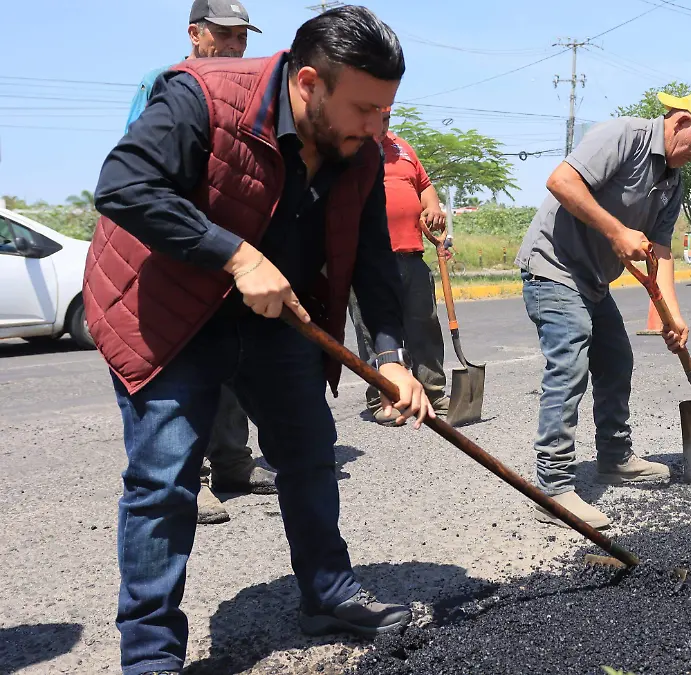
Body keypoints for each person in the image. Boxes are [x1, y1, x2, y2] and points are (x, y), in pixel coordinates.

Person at [87, 7, 433, 673]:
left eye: (385, 110)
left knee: (309, 455)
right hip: (169, 310)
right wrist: (237, 257)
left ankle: (328, 591)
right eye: (364, 109)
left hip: (275, 320)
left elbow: (372, 259)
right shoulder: (201, 96)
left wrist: (389, 357)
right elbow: (123, 186)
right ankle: (152, 653)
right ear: (309, 83)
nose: (377, 127)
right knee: (164, 482)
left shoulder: (360, 149)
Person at [515, 90, 691, 528]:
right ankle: (552, 488)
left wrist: (674, 314)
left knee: (616, 361)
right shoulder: (622, 136)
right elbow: (560, 181)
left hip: (592, 279)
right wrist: (616, 231)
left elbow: (662, 251)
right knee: (570, 360)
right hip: (553, 266)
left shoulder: (672, 180)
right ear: (681, 122)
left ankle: (614, 458)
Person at [123, 0, 276, 526]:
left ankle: (234, 464)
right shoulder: (166, 82)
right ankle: (196, 480)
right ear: (195, 33)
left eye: (242, 37)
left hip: (232, 252)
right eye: (225, 35)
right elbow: (139, 174)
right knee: (189, 371)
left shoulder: (252, 92)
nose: (236, 46)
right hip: (184, 252)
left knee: (232, 363)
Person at [350, 108, 452, 423]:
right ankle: (384, 400)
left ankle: (432, 393)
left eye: (387, 118)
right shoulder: (349, 148)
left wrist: (433, 208)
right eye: (376, 116)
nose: (383, 125)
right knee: (371, 332)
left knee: (425, 327)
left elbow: (424, 185)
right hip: (365, 260)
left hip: (412, 255)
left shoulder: (402, 147)